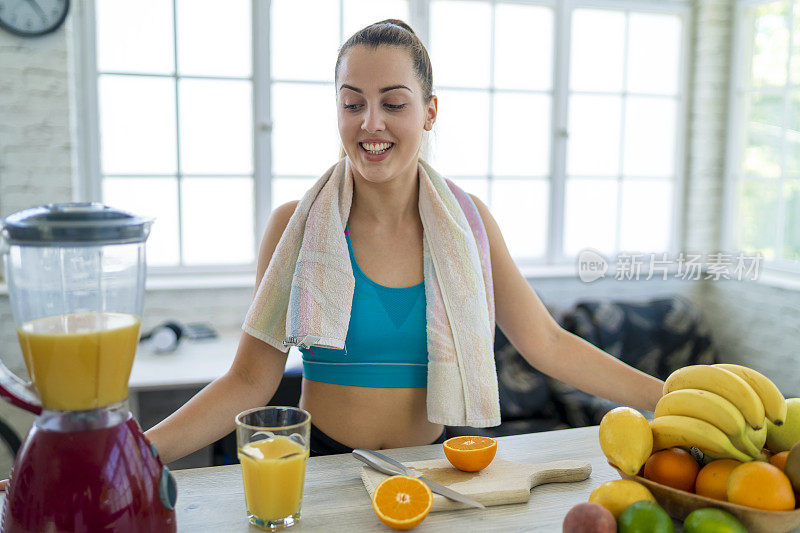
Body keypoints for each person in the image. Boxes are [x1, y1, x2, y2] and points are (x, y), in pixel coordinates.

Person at [145, 20, 663, 463]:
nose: (371, 124)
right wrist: (136, 454)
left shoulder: (469, 224)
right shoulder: (295, 228)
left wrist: (669, 395)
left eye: (393, 103)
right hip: (323, 467)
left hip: (437, 471)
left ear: (429, 112)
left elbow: (548, 344)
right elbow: (248, 381)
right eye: (353, 104)